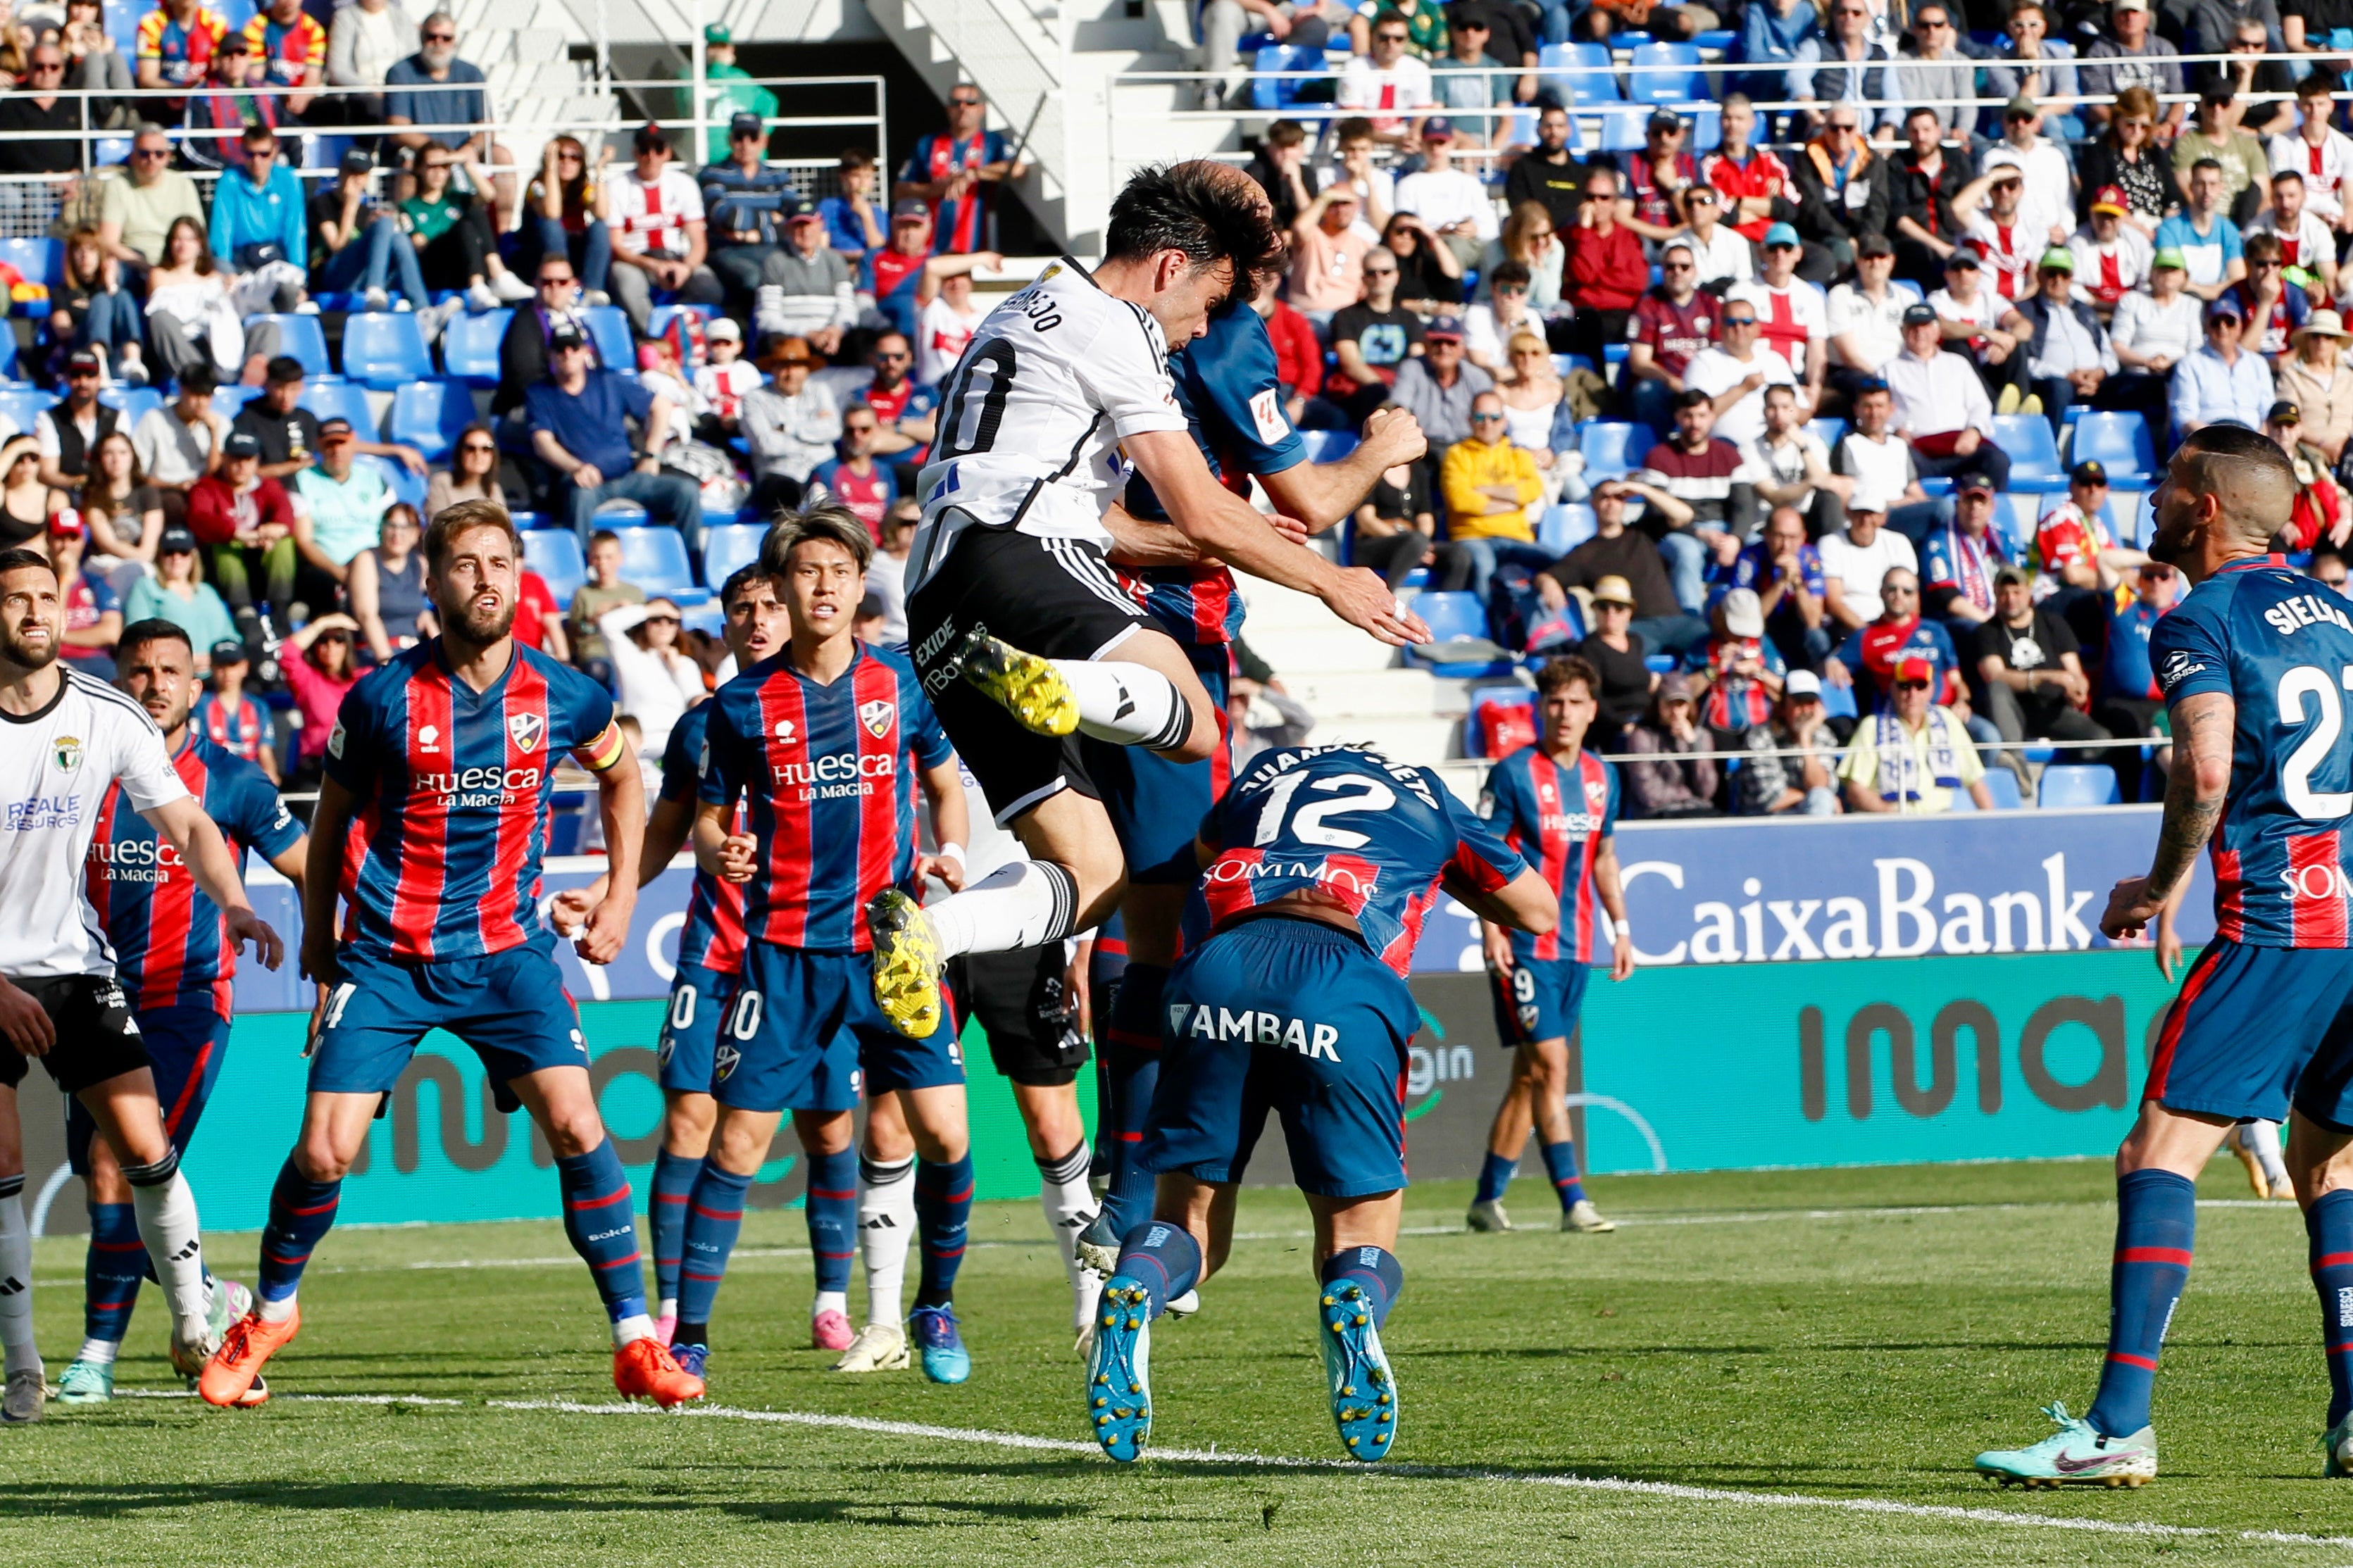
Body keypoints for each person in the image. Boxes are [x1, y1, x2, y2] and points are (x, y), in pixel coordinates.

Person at [877, 164, 1425, 1046]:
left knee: (1091, 873)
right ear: (1170, 266)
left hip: (936, 599)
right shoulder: (1118, 328)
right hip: (1023, 556)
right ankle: (1058, 683)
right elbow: (1202, 508)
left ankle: (930, 934)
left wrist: (1231, 548)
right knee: (1198, 720)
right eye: (1208, 300)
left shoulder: (1017, 309)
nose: (1204, 326)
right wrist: (1334, 581)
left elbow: (1114, 521)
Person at [197, 501, 696, 1410]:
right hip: (386, 956)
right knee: (323, 1152)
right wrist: (319, 941)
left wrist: (624, 892)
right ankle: (269, 1312)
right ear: (430, 583)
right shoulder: (383, 695)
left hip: (508, 953)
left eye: (500, 561)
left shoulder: (566, 693)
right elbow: (336, 817)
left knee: (582, 1126)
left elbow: (625, 775)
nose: (486, 579)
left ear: (520, 574)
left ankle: (635, 1337)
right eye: (464, 564)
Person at [1971, 425, 2353, 1486]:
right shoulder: (2346, 614)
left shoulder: (2200, 616)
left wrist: (2157, 883)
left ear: (2208, 506)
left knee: (2156, 1153)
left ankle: (2116, 1426)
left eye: (2172, 480)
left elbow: (2204, 764)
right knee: (2333, 1158)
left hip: (2286, 920)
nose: (2154, 494)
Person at [1086, 738, 1554, 1464]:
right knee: (1355, 1238)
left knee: (1193, 1231)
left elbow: (1205, 846)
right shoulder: (1426, 790)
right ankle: (1358, 1300)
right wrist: (1444, 872)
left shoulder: (1267, 770)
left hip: (1219, 969)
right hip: (1341, 975)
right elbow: (1535, 908)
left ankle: (1137, 1283)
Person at [683, 509, 973, 1383]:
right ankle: (689, 1335)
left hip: (890, 950)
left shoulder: (900, 684)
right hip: (784, 952)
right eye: (804, 572)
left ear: (857, 584)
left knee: (945, 1136)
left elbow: (942, 784)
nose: (821, 587)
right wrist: (717, 846)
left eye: (837, 571)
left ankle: (935, 1307)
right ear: (781, 588)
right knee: (735, 1146)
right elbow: (707, 814)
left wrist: (951, 849)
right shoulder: (739, 705)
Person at [0, 544, 280, 1425]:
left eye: (49, 596)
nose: (37, 612)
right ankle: (23, 1371)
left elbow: (190, 823)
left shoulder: (106, 713)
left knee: (143, 1152)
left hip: (78, 972)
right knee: (4, 1174)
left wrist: (232, 899)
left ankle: (195, 1326)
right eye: (17, 600)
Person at [53, 617, 305, 1404]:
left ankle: (96, 1357)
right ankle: (205, 1300)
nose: (154, 683)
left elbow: (308, 866)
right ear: (114, 681)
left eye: (169, 670)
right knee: (110, 1173)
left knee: (114, 1163)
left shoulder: (230, 782)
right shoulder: (83, 772)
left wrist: (333, 958)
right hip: (90, 993)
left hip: (186, 999)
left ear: (196, 686)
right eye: (138, 670)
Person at [543, 565, 782, 1350]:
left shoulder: (848, 705)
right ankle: (675, 1306)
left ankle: (842, 1306)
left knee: (834, 1128)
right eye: (741, 607)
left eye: (770, 605)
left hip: (809, 953)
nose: (757, 620)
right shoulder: (701, 725)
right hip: (715, 951)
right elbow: (668, 832)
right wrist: (611, 891)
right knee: (687, 1121)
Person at [1466, 654, 1633, 1237]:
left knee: (1529, 1077)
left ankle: (1486, 1199)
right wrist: (1490, 927)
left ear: (1591, 710)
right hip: (1524, 944)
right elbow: (1481, 856)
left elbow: (1604, 857)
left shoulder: (1602, 777)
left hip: (1578, 946)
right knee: (1552, 1066)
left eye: (1575, 703)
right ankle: (1573, 1200)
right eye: (1553, 702)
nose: (1563, 713)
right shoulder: (1513, 773)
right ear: (1541, 707)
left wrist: (1621, 928)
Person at [527, 324, 699, 553]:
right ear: (550, 354)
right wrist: (577, 468)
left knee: (686, 491)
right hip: (586, 484)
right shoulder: (540, 393)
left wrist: (652, 455)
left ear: (585, 351)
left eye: (573, 347)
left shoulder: (608, 380)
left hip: (630, 476)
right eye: (560, 349)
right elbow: (543, 443)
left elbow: (662, 405)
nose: (567, 354)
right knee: (580, 499)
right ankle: (581, 572)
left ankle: (693, 567)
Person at [1543, 481, 1709, 656]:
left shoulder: (1643, 533)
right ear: (1593, 504)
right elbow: (1549, 575)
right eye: (1605, 498)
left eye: (1618, 498)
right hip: (1635, 629)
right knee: (1616, 660)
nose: (1611, 503)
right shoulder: (1585, 553)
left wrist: (1643, 489)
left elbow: (1684, 515)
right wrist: (1548, 583)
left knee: (1713, 645)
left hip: (1676, 622)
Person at [1972, 563, 2111, 768]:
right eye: (2004, 593)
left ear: (2028, 592)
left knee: (2102, 740)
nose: (2011, 599)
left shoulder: (2053, 623)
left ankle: (2067, 783)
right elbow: (1995, 675)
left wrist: (2078, 688)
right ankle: (2016, 762)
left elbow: (2075, 672)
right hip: (2013, 711)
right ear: (1996, 594)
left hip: (2053, 709)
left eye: (2016, 592)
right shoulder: (1987, 631)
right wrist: (2046, 677)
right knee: (1997, 688)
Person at [384, 13, 515, 228]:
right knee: (408, 165)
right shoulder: (401, 72)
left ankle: (504, 234)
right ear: (421, 37)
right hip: (422, 153)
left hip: (463, 152)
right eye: (432, 37)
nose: (439, 43)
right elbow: (399, 130)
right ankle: (407, 237)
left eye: (446, 38)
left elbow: (488, 128)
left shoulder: (471, 73)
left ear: (455, 40)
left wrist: (469, 149)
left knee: (503, 156)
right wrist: (439, 154)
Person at [1635, 389, 1759, 610]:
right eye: (1688, 416)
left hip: (1723, 528)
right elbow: (1656, 514)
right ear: (1677, 417)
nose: (1695, 423)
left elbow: (1745, 507)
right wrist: (1698, 534)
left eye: (1702, 416)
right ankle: (1690, 616)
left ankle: (1755, 613)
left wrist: (1735, 539)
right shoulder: (1659, 457)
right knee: (1687, 552)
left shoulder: (1729, 456)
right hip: (1676, 532)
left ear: (1712, 418)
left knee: (1757, 545)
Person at [602, 123, 724, 337]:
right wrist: (652, 265)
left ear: (667, 153)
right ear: (635, 153)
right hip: (635, 260)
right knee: (628, 284)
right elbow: (616, 244)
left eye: (658, 149)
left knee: (710, 288)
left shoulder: (684, 184)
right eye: (644, 150)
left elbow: (698, 241)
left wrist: (686, 267)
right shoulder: (618, 186)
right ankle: (657, 337)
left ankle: (680, 333)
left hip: (675, 257)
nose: (651, 157)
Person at [1837, 651, 1995, 812]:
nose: (1912, 694)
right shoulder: (1872, 726)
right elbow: (1855, 790)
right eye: (1904, 686)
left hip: (1940, 822)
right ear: (1893, 688)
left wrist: (1991, 823)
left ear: (1931, 690)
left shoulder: (1948, 720)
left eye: (1920, 686)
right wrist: (1894, 816)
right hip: (1890, 823)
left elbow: (1975, 780)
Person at [1886, 303, 2013, 489]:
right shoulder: (1888, 370)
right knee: (1897, 457)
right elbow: (1879, 410)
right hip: (1918, 453)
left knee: (1997, 460)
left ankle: (1996, 516)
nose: (1920, 332)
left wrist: (1974, 431)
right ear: (1903, 331)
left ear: (1937, 331)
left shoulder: (1958, 364)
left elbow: (1980, 405)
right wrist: (1896, 432)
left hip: (1962, 449)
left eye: (1926, 326)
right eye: (1913, 327)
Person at [1436, 392, 1545, 599]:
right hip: (1473, 537)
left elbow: (1533, 490)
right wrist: (1511, 502)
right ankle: (1488, 628)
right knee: (1485, 568)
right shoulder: (1456, 454)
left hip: (1517, 538)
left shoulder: (1519, 455)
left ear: (1504, 421)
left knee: (1558, 560)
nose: (1487, 424)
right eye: (1480, 418)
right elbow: (1460, 500)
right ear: (1470, 420)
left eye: (1494, 418)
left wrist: (1482, 489)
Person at [895, 83, 1027, 253]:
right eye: (956, 103)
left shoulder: (993, 143)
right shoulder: (928, 144)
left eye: (970, 103)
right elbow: (899, 191)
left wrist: (973, 173)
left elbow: (1017, 169)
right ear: (948, 108)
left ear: (981, 108)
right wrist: (935, 188)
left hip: (975, 247)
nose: (963, 108)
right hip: (930, 248)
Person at [401, 142, 528, 315]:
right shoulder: (409, 206)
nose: (439, 173)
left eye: (445, 166)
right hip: (434, 268)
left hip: (462, 266)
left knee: (474, 211)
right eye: (432, 166)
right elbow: (419, 245)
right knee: (464, 226)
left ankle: (495, 273)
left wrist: (466, 164)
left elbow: (489, 195)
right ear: (419, 169)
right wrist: (453, 231)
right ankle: (482, 283)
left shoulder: (456, 199)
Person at [308, 148, 434, 317]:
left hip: (359, 277)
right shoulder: (322, 203)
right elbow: (337, 246)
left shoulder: (366, 211)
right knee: (383, 223)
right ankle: (375, 289)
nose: (354, 179)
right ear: (341, 172)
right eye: (350, 172)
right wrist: (350, 207)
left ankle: (423, 310)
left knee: (398, 238)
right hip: (331, 274)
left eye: (360, 175)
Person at [2014, 249, 2118, 434]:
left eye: (2065, 274)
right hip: (2054, 383)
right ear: (2039, 276)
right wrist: (2066, 375)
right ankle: (2047, 451)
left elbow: (2108, 352)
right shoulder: (2024, 312)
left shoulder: (2085, 311)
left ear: (2072, 278)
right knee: (2059, 388)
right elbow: (2023, 362)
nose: (2058, 280)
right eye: (2052, 273)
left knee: (2134, 386)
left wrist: (2099, 373)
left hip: (2095, 382)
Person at [740, 334, 842, 516]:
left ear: (807, 370)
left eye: (797, 367)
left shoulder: (819, 390)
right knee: (779, 493)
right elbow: (767, 445)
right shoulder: (754, 398)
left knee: (838, 490)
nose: (790, 373)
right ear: (772, 369)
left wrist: (786, 429)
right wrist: (814, 436)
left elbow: (833, 430)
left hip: (821, 464)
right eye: (783, 366)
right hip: (778, 470)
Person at [1728, 225, 1829, 409]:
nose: (1780, 254)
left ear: (1798, 253)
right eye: (1773, 248)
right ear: (1761, 253)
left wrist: (1814, 388)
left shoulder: (1811, 296)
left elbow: (1817, 351)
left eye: (1787, 248)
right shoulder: (1740, 293)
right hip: (1752, 376)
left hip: (1795, 378)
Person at [1625, 239, 1718, 435]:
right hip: (1667, 386)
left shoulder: (1711, 305)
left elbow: (1721, 353)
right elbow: (1639, 362)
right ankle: (1662, 452)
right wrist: (1671, 381)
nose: (1677, 272)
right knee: (1647, 391)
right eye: (1671, 266)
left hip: (1704, 385)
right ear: (1663, 270)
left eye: (1684, 267)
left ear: (1695, 271)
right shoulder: (1649, 306)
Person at [1683, 296, 1801, 451]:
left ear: (1757, 328)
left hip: (1776, 448)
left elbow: (1802, 410)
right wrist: (1743, 389)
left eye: (1746, 322)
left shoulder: (1774, 360)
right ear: (1720, 328)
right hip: (1726, 450)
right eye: (1731, 323)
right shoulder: (1704, 361)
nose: (1739, 328)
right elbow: (1694, 415)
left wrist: (1783, 414)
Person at [1562, 165, 1647, 368]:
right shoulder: (1568, 236)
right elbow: (1583, 275)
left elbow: (1637, 282)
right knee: (1585, 325)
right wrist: (1584, 232)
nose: (1597, 204)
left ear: (1614, 203)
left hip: (1621, 312)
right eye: (1591, 197)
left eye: (1604, 198)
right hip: (1582, 312)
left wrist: (1595, 279)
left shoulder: (1628, 237)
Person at [597, 598, 704, 758]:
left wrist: (678, 670)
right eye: (656, 620)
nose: (663, 626)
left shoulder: (686, 664)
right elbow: (607, 624)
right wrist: (649, 610)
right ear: (645, 623)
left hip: (678, 744)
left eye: (671, 621)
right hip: (640, 745)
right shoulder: (630, 656)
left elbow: (698, 704)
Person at [1730, 504, 1831, 670]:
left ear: (1803, 537)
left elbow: (1813, 620)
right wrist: (1781, 582)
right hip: (1763, 629)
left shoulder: (1809, 557)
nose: (1786, 546)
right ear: (1766, 535)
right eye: (1779, 536)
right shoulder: (1750, 558)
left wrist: (1797, 582)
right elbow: (1747, 619)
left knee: (1818, 638)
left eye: (1793, 538)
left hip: (1797, 628)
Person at [97, 125, 204, 282]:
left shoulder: (183, 185)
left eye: (159, 154)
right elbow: (109, 241)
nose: (151, 159)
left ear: (168, 157)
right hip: (134, 262)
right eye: (144, 153)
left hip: (178, 257)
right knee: (115, 274)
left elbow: (198, 234)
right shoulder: (117, 185)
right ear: (133, 156)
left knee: (222, 270)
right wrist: (148, 268)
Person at [516, 135, 612, 308]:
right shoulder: (537, 185)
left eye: (575, 157)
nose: (567, 162)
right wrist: (551, 170)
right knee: (552, 226)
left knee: (599, 227)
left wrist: (599, 170)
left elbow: (602, 213)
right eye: (560, 156)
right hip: (540, 254)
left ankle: (593, 290)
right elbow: (552, 212)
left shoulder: (583, 187)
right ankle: (561, 289)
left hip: (572, 251)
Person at [1745, 382, 1848, 541]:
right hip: (1769, 521)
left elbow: (1823, 481)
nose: (1779, 414)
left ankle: (1833, 548)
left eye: (1786, 408)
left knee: (1829, 498)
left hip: (1807, 517)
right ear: (1765, 411)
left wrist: (1802, 447)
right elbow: (1774, 497)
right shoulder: (1750, 449)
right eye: (1773, 407)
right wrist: (1810, 482)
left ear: (1796, 411)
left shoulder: (1812, 442)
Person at [2078, 85, 2179, 237]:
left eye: (2144, 126)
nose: (2137, 131)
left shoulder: (2156, 153)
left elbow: (2173, 200)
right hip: (2117, 232)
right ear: (2118, 119)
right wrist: (2142, 231)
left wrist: (2165, 233)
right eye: (2131, 124)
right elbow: (2097, 202)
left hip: (2158, 229)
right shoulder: (2099, 153)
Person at [2171, 294, 2276, 438]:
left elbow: (2268, 412)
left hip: (2251, 437)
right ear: (2207, 326)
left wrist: (2257, 442)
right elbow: (2184, 417)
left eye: (2229, 322)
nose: (2223, 328)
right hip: (2209, 437)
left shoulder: (2258, 363)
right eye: (2216, 322)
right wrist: (2218, 440)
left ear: (2240, 327)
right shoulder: (2190, 363)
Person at [1737, 668, 1840, 814]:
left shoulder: (1822, 735)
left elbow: (1821, 786)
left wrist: (1805, 739)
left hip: (1807, 811)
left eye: (1810, 703)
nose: (1805, 710)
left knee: (1822, 798)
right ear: (1783, 706)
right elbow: (1771, 799)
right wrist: (1810, 797)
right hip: (1765, 821)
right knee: (1822, 799)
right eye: (1798, 703)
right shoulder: (1760, 737)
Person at [123, 525, 235, 659]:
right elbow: (137, 636)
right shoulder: (146, 587)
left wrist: (217, 658)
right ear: (160, 556)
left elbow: (230, 636)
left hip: (216, 672)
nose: (176, 558)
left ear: (193, 557)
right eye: (169, 552)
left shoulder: (207, 592)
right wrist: (184, 662)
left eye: (184, 552)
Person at [2081, 0, 2183, 138]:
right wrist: (2130, 126)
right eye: (2124, 13)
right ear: (2114, 18)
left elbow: (2179, 98)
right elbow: (2097, 106)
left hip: (2161, 128)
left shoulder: (2165, 49)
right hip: (2117, 129)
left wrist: (2168, 125)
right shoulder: (2098, 52)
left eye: (2135, 12)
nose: (2130, 18)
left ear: (2146, 18)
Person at [1922, 473, 2010, 632]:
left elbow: (2018, 583)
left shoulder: (2002, 540)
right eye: (1969, 500)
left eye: (1981, 501)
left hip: (1999, 617)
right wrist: (1992, 625)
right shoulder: (1938, 542)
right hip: (1957, 623)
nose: (1975, 507)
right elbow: (1947, 598)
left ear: (1992, 507)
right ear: (1957, 504)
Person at [1622, 672, 1719, 817]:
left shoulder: (1701, 737)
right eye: (1669, 704)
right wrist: (1687, 795)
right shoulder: (1641, 737)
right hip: (1658, 815)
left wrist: (1694, 746)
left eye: (1681, 704)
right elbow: (1650, 795)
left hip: (1698, 812)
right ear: (1658, 704)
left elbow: (1707, 790)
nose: (1675, 712)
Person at [2154, 158, 2249, 302]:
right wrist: (2216, 291)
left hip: (2220, 308)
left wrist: (2204, 291)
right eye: (2200, 184)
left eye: (2213, 184)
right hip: (2180, 303)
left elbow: (2238, 280)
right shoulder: (2169, 229)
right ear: (2191, 186)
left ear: (2221, 187)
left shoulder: (2229, 230)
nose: (2207, 191)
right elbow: (2172, 281)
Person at [346, 501, 431, 660]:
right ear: (382, 528)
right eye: (392, 526)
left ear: (416, 534)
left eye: (405, 528)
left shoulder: (419, 563)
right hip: (376, 654)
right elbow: (367, 616)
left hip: (414, 652)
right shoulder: (366, 559)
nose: (397, 534)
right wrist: (387, 661)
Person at [1335, 11, 1435, 146]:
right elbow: (1354, 124)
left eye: (1398, 39)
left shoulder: (1418, 69)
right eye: (1384, 37)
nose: (1391, 43)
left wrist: (1414, 135)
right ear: (1372, 37)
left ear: (1406, 41)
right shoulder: (1354, 68)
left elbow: (1423, 113)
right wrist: (1396, 141)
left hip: (1404, 138)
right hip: (1360, 142)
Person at [325, 0, 416, 127]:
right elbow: (338, 70)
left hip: (400, 90)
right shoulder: (345, 17)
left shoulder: (402, 17)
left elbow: (414, 60)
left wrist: (397, 91)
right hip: (364, 93)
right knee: (377, 107)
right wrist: (370, 88)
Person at [2251, 170, 2336, 302]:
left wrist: (2320, 290)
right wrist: (2301, 284)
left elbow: (2330, 281)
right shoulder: (2257, 230)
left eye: (2291, 196)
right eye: (2279, 196)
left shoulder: (2318, 230)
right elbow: (2257, 277)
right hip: (2270, 301)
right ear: (2272, 198)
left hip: (2312, 301)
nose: (2285, 203)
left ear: (2303, 196)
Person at [194, 639, 273, 779]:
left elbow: (265, 752)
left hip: (251, 780)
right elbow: (198, 751)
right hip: (216, 778)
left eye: (233, 665)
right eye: (221, 666)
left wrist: (270, 778)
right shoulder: (201, 705)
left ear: (245, 667)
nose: (227, 672)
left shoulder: (258, 707)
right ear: (212, 668)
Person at [914, 253, 993, 389]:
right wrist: (983, 258)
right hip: (932, 394)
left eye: (961, 276)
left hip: (968, 392)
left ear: (971, 282)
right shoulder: (931, 308)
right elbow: (931, 267)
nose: (955, 282)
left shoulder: (986, 321)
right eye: (949, 278)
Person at [2071, 186, 2156, 312]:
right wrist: (2097, 305)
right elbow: (2072, 285)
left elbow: (2147, 282)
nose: (2106, 222)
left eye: (2112, 216)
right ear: (2091, 214)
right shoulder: (2077, 242)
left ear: (2123, 217)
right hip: (2090, 308)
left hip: (2131, 308)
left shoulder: (2138, 241)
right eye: (2101, 215)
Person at [0, 437, 60, 550]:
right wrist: (16, 447)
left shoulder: (56, 496)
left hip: (34, 561)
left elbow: (54, 537)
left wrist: (17, 556)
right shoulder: (2, 492)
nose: (26, 462)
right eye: (20, 458)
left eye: (33, 457)